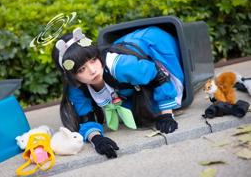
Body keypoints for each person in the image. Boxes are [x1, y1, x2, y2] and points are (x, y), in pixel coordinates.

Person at [51, 27, 184, 159]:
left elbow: (158, 75)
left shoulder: (121, 66)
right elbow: (86, 118)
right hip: (131, 49)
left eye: (93, 60)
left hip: (156, 42)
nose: (92, 70)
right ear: (72, 77)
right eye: (81, 69)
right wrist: (96, 139)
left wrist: (166, 114)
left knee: (153, 104)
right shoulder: (76, 87)